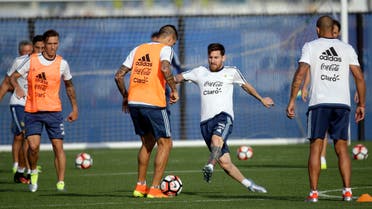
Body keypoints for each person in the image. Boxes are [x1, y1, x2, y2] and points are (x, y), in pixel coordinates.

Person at [286, 15, 366, 202]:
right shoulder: (347, 48)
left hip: (319, 104)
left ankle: (313, 194)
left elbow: (300, 74)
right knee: (342, 149)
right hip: (342, 105)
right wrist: (361, 104)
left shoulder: (310, 46)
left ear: (317, 29)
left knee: (316, 148)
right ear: (333, 30)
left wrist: (291, 100)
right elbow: (359, 78)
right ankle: (347, 192)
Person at [175, 43, 274, 193]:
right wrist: (167, 84)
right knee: (225, 163)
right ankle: (250, 185)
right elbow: (178, 78)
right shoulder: (199, 72)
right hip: (205, 124)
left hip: (224, 117)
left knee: (217, 139)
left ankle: (209, 165)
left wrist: (261, 99)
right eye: (210, 57)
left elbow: (246, 86)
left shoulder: (231, 72)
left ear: (223, 58)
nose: (212, 60)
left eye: (216, 57)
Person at [10, 29, 79, 192]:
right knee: (33, 147)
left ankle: (60, 182)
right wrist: (18, 88)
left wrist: (75, 108)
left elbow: (69, 86)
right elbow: (13, 77)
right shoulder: (32, 60)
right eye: (49, 44)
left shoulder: (63, 64)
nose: (52, 47)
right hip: (33, 112)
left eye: (55, 44)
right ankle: (33, 172)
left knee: (58, 147)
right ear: (44, 45)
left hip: (54, 112)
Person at [114, 25, 179, 198]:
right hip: (153, 103)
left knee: (147, 143)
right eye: (173, 43)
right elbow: (165, 68)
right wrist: (174, 89)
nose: (172, 46)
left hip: (135, 102)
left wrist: (126, 97)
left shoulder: (138, 48)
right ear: (171, 39)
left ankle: (140, 186)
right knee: (166, 143)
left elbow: (118, 75)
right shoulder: (166, 49)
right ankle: (155, 189)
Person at [300, 19, 341, 170]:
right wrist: (305, 87)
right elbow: (310, 69)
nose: (333, 35)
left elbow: (353, 72)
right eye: (332, 32)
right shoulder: (316, 48)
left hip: (338, 100)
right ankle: (322, 157)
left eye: (336, 33)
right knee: (320, 134)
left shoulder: (343, 49)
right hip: (320, 98)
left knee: (339, 139)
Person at [0, 40, 33, 183]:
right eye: (24, 51)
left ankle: (24, 167)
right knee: (20, 136)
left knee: (27, 137)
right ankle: (18, 166)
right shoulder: (18, 62)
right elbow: (6, 83)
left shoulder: (39, 63)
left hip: (32, 106)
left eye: (29, 51)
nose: (26, 53)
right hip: (18, 104)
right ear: (20, 52)